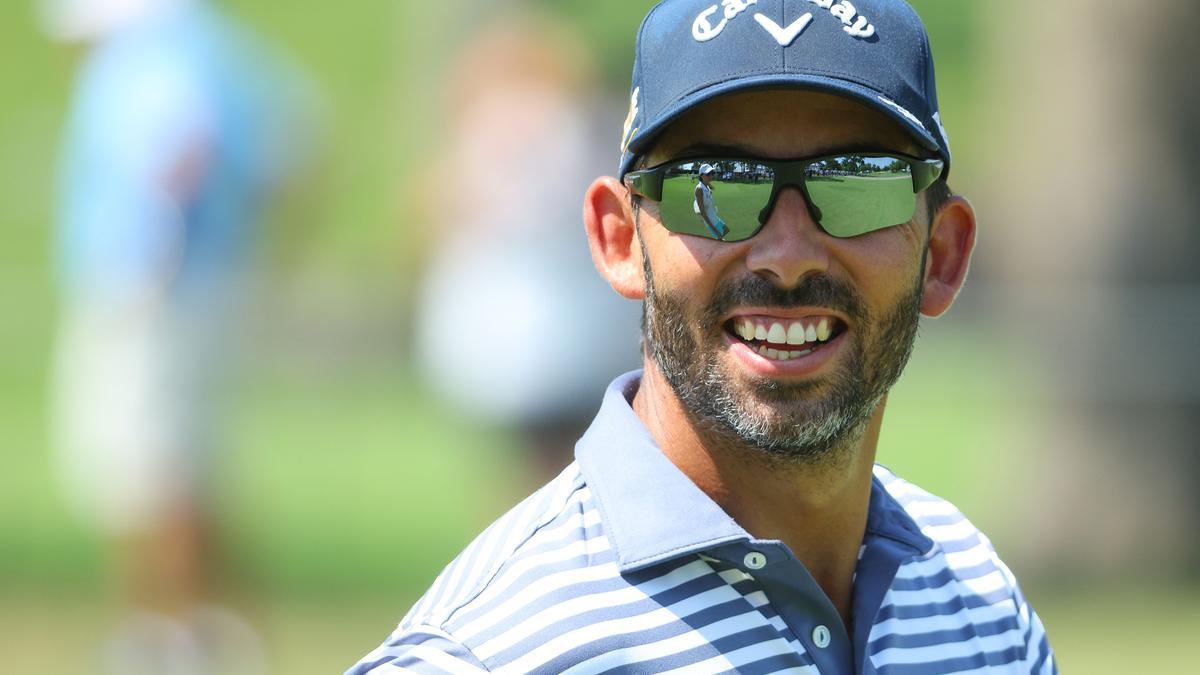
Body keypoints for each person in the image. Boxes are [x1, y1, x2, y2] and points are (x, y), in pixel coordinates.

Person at [348, 1, 1056, 672]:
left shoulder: (980, 603)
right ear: (620, 238)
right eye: (716, 186)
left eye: (854, 182)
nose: (787, 254)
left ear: (944, 254)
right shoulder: (484, 653)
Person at [44, 0, 315, 671]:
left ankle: (170, 637)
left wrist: (150, 257)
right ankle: (198, 631)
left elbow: (179, 150)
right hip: (198, 285)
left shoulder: (150, 57)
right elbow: (291, 151)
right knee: (178, 470)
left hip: (152, 290)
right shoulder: (210, 43)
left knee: (148, 474)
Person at [695, 163, 730, 239]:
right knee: (721, 241)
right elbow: (703, 213)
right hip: (711, 221)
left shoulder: (706, 186)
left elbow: (710, 188)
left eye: (712, 173)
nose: (711, 176)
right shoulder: (699, 189)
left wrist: (710, 189)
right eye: (708, 174)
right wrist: (715, 231)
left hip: (714, 216)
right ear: (702, 176)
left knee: (726, 230)